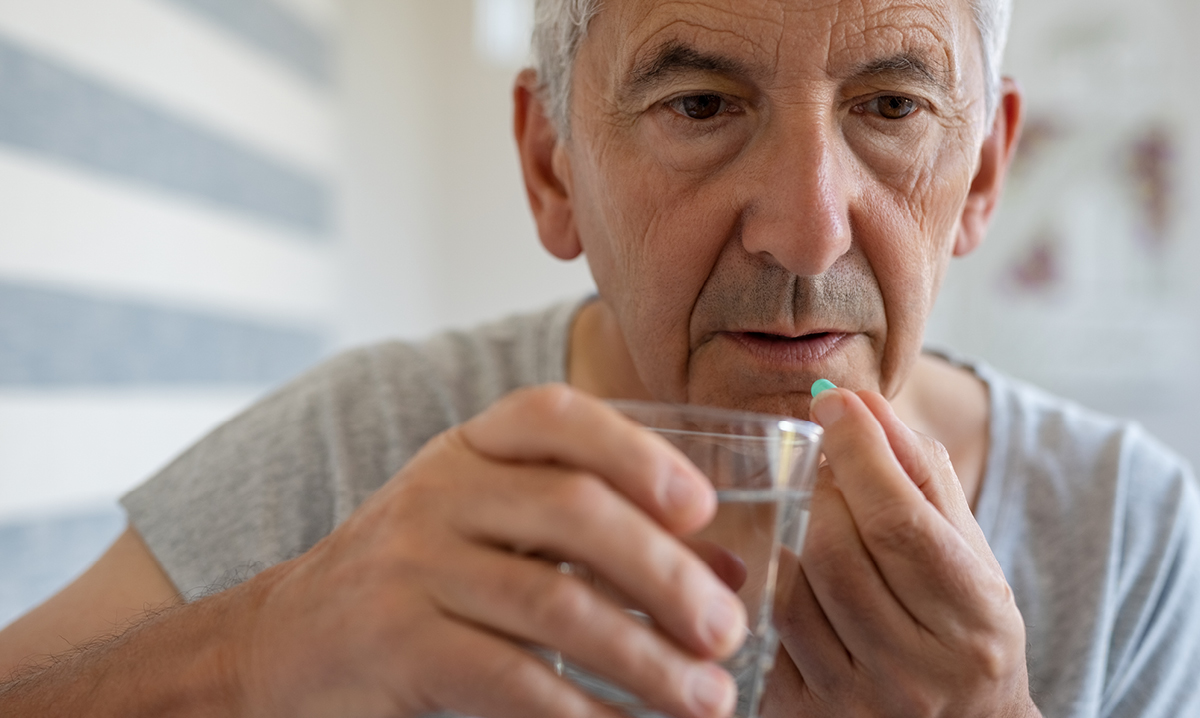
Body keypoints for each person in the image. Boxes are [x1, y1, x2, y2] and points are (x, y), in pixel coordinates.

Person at [2, 0, 1198, 715]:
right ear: (551, 165)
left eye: (890, 107)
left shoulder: (1129, 527)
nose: (806, 226)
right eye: (698, 104)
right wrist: (262, 645)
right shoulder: (367, 448)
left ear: (983, 174)